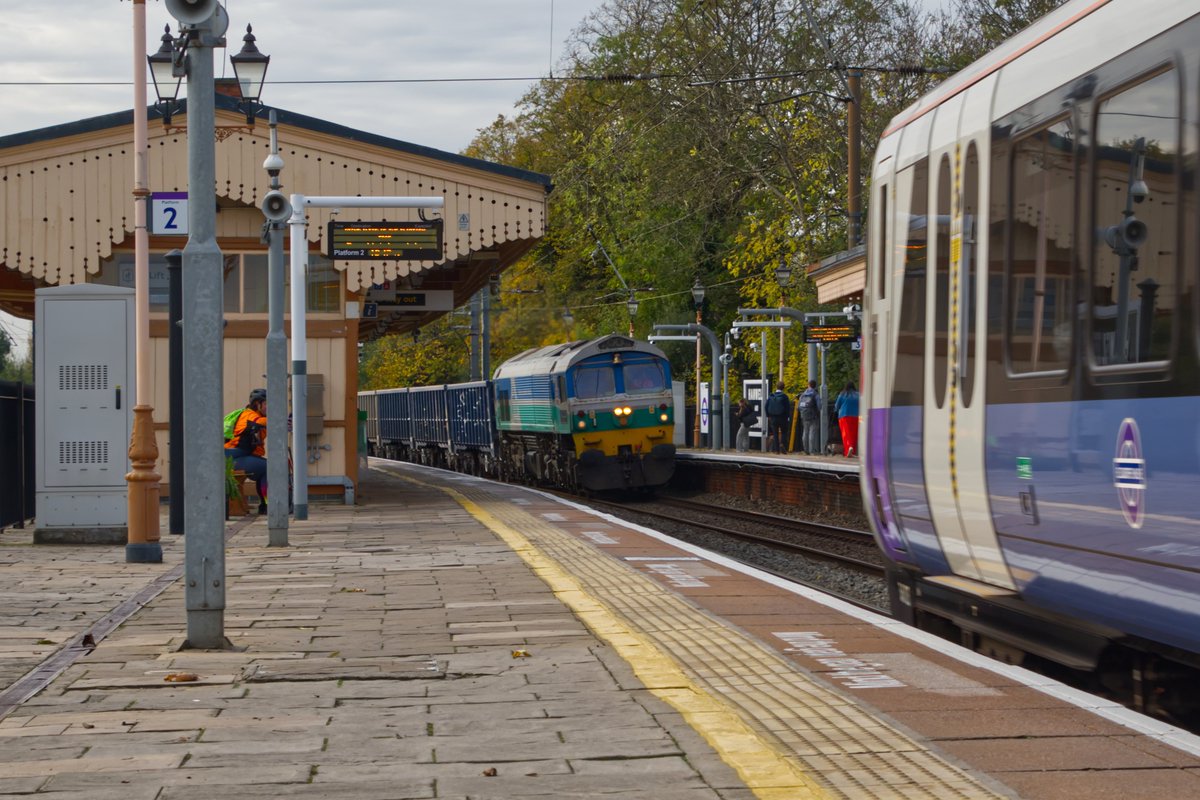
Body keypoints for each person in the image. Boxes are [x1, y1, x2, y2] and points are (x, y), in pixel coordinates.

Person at [225, 388, 270, 513]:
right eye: (267, 403)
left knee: (265, 467)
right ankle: (267, 505)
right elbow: (257, 423)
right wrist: (278, 419)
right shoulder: (248, 415)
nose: (270, 408)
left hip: (237, 456)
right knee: (268, 468)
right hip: (231, 458)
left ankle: (266, 504)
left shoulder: (255, 415)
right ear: (257, 404)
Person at [835, 380, 860, 458]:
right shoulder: (858, 395)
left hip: (844, 416)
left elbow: (836, 406)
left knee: (846, 433)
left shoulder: (842, 394)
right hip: (856, 416)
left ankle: (849, 448)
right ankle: (853, 452)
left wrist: (836, 411)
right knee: (854, 434)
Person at [764, 383, 791, 454]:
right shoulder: (784, 396)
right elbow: (787, 408)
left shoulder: (771, 396)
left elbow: (766, 406)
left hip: (773, 418)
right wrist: (788, 417)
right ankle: (782, 444)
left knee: (775, 433)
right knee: (784, 432)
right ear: (783, 388)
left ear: (776, 387)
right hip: (782, 417)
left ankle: (776, 450)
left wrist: (768, 416)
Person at [798, 380, 821, 455]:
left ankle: (806, 450)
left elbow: (799, 407)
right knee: (812, 433)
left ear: (808, 385)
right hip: (813, 416)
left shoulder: (803, 394)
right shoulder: (815, 394)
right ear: (815, 386)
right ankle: (812, 451)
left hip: (804, 415)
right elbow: (819, 406)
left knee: (805, 432)